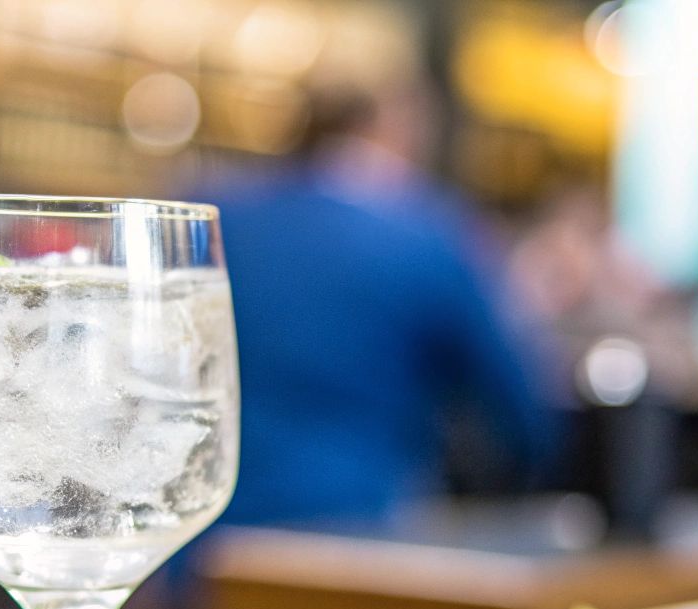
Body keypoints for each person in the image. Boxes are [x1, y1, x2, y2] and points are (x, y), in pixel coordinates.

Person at [207, 81, 563, 528]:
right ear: (394, 130)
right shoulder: (428, 232)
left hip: (208, 537)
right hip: (363, 537)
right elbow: (516, 406)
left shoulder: (217, 211)